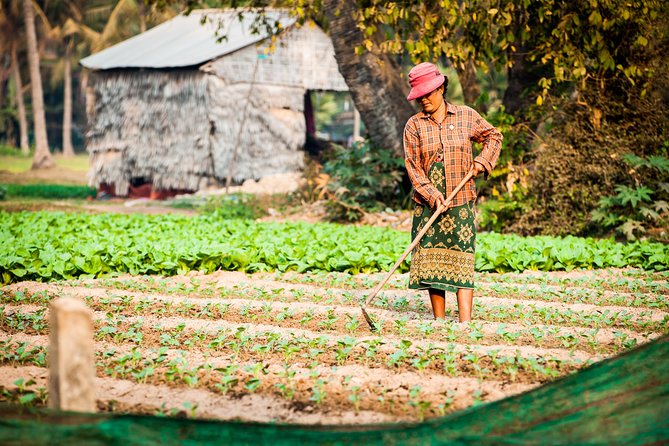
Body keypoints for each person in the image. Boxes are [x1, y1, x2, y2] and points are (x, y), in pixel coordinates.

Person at [403, 62, 502, 323]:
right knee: (434, 261)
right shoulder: (414, 126)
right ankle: (439, 320)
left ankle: (465, 323)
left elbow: (494, 136)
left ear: (442, 88)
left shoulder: (466, 116)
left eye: (428, 93)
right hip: (428, 203)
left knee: (462, 257)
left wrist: (482, 161)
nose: (423, 99)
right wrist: (432, 195)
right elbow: (413, 167)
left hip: (461, 200)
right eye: (420, 95)